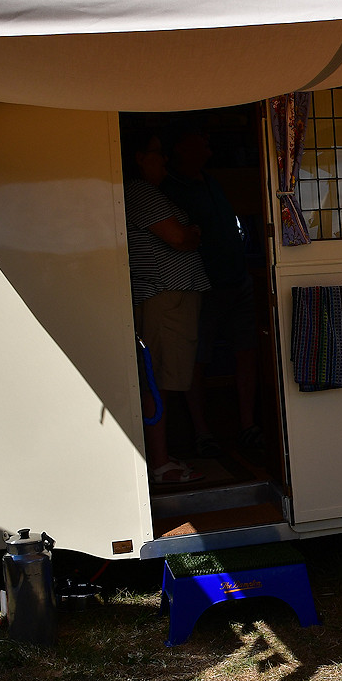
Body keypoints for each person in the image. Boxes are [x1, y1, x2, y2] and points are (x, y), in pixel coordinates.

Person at [164, 126, 262, 456]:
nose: (207, 142)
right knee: (198, 357)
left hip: (237, 280)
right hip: (202, 286)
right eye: (198, 138)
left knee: (246, 350)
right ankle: (202, 432)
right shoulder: (171, 188)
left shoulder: (210, 180)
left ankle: (247, 425)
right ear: (181, 147)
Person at [125, 132, 211, 484]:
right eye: (157, 153)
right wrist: (193, 234)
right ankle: (159, 463)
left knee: (162, 377)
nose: (164, 160)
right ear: (138, 157)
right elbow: (178, 237)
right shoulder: (139, 191)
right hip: (163, 296)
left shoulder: (148, 192)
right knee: (156, 379)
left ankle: (161, 457)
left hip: (170, 297)